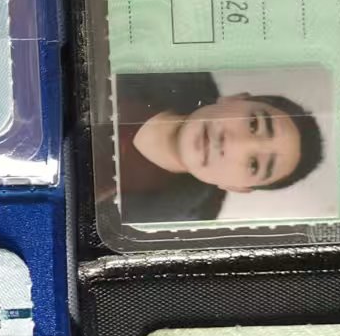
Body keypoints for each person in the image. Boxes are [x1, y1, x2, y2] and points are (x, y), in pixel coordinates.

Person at [112, 71, 325, 224]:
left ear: (236, 187)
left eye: (253, 165)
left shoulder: (177, 228)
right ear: (234, 100)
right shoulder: (174, 64)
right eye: (253, 124)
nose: (232, 144)